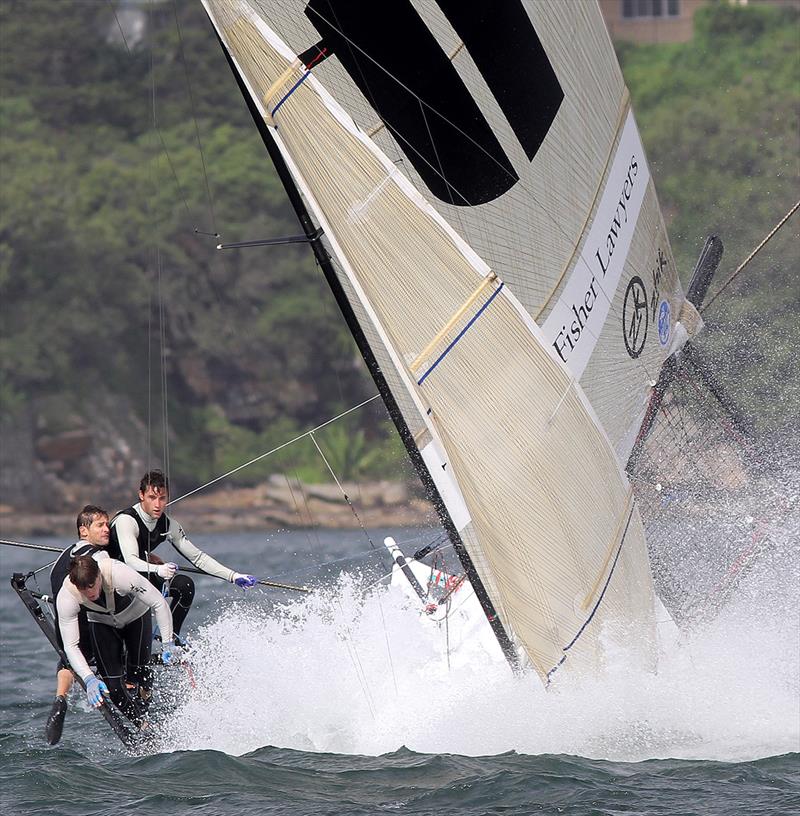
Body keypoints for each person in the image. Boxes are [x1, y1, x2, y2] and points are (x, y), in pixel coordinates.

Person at [107, 470, 256, 637]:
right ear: (141, 495)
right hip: (111, 581)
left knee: (184, 586)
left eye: (162, 498)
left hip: (140, 576)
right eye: (152, 498)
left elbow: (198, 557)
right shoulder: (127, 521)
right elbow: (131, 561)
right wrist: (158, 569)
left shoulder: (169, 526)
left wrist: (233, 576)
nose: (157, 505)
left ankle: (171, 637)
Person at [56, 554, 177, 727]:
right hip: (102, 622)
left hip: (136, 616)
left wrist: (167, 644)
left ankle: (145, 703)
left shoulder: (119, 574)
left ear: (99, 575)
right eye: (83, 589)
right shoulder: (67, 596)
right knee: (113, 688)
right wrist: (89, 678)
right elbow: (70, 645)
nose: (90, 593)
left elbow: (158, 603)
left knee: (139, 673)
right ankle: (143, 727)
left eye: (92, 585)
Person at [45, 505, 111, 745]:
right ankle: (134, 701)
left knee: (68, 659)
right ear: (84, 531)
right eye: (100, 525)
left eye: (107, 524)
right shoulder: (99, 558)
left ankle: (60, 698)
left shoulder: (64, 555)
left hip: (63, 624)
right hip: (88, 626)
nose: (107, 529)